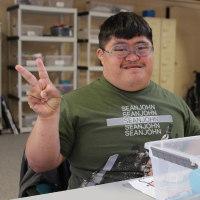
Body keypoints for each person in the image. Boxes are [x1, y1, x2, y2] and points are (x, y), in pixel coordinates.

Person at [15, 12, 200, 189]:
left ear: (152, 51)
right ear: (101, 55)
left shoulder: (176, 103)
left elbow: (196, 149)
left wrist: (180, 164)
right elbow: (40, 165)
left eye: (142, 47)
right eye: (120, 49)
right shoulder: (74, 104)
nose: (133, 56)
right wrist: (47, 118)